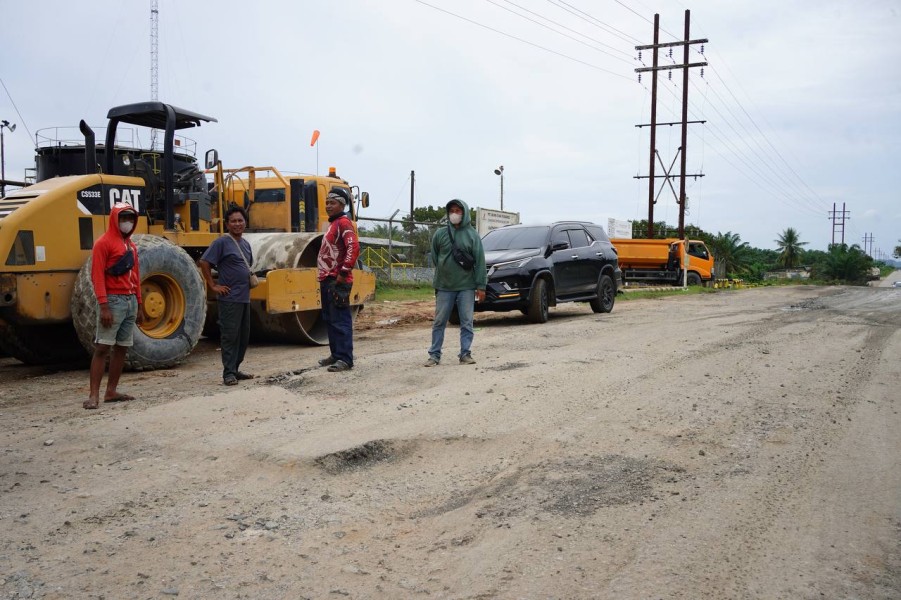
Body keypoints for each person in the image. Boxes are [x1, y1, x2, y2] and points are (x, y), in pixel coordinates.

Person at [84, 202, 144, 409]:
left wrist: (139, 303)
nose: (127, 222)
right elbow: (97, 276)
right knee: (102, 347)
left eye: (130, 218)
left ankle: (111, 391)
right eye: (123, 218)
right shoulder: (103, 243)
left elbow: (136, 276)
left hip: (130, 302)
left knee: (122, 348)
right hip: (114, 300)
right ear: (114, 219)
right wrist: (104, 305)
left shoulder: (131, 246)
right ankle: (94, 395)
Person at [425, 199, 487, 366]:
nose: (454, 214)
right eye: (451, 210)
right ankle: (434, 355)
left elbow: (480, 261)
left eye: (458, 211)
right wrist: (445, 271)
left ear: (464, 213)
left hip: (466, 286)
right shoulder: (440, 234)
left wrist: (481, 286)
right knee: (439, 321)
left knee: (467, 322)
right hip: (444, 286)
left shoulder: (472, 235)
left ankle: (465, 354)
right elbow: (436, 256)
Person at [200, 206, 256, 386]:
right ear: (227, 224)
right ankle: (228, 373)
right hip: (229, 299)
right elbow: (204, 262)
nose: (237, 224)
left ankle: (236, 368)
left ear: (245, 223)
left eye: (240, 220)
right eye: (233, 221)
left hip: (244, 298)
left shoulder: (245, 244)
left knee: (243, 336)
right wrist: (213, 285)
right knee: (229, 336)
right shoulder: (222, 242)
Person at [316, 187, 360, 372]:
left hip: (337, 280)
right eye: (327, 202)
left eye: (332, 203)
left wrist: (343, 272)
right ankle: (336, 354)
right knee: (330, 319)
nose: (328, 206)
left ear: (342, 204)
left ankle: (345, 359)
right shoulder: (333, 224)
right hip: (328, 280)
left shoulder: (343, 223)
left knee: (340, 320)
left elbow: (353, 246)